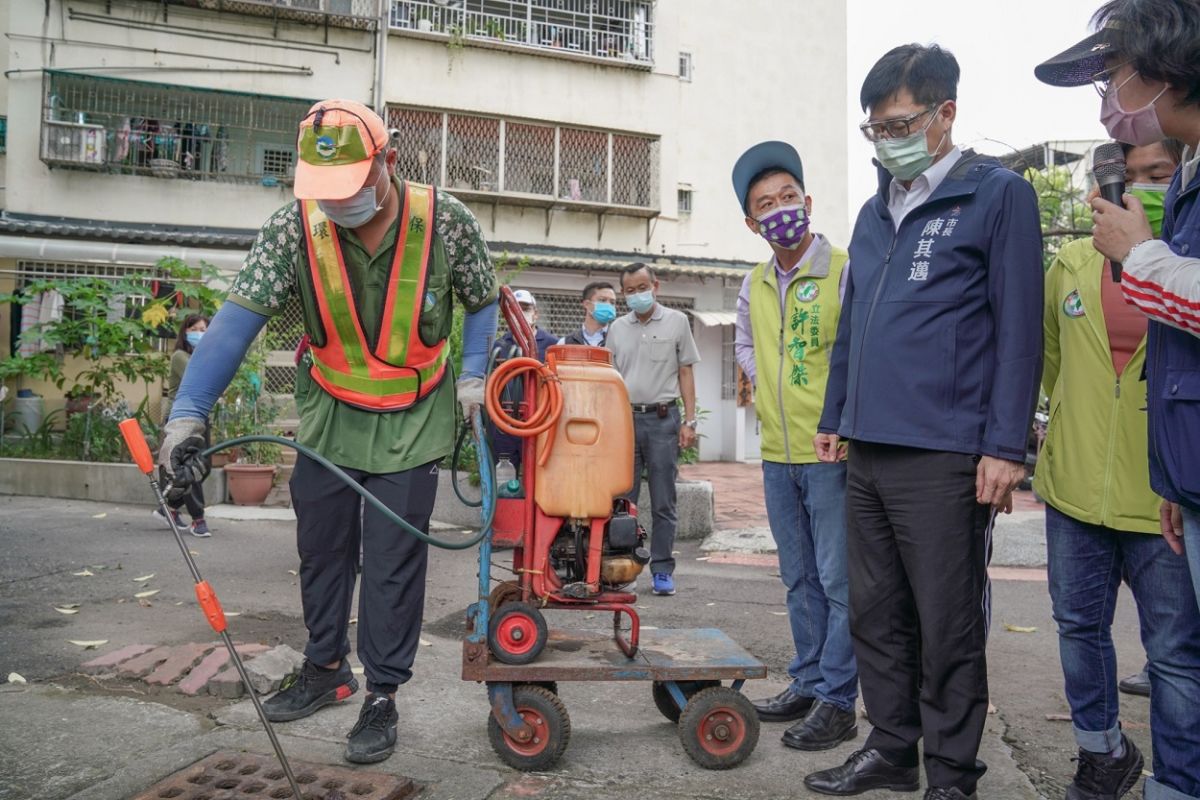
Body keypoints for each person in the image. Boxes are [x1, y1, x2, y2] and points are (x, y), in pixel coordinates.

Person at [157, 99, 498, 765]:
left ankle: (383, 695)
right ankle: (325, 669)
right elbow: (234, 323)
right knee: (321, 550)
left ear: (388, 161)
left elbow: (483, 300)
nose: (337, 202)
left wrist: (473, 376)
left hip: (414, 417)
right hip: (331, 413)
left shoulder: (446, 220)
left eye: (351, 185)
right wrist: (187, 414)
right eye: (324, 189)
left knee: (393, 564)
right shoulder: (294, 225)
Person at [805, 45, 1043, 800]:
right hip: (869, 446)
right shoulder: (877, 210)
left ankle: (951, 774)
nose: (887, 140)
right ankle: (890, 749)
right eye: (875, 129)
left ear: (946, 114)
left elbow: (1020, 330)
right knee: (875, 613)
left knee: (947, 623)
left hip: (945, 450)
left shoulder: (996, 196)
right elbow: (853, 324)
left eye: (900, 124)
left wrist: (1005, 445)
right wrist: (836, 413)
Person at [1037, 5, 1200, 798]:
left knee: (1173, 655)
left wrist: (1144, 258)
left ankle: (1178, 779)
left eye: (1113, 78)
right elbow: (1050, 364)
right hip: (1106, 490)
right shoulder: (1074, 263)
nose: (1108, 103)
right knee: (1078, 627)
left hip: (1158, 493)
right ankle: (1106, 754)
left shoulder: (1166, 245)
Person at [730, 141, 858, 751]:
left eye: (788, 197)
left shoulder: (845, 270)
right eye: (765, 205)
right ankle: (807, 681)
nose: (780, 210)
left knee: (839, 579)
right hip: (778, 452)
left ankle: (838, 698)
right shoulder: (753, 283)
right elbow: (743, 343)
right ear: (752, 223)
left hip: (831, 452)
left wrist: (842, 419)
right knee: (797, 576)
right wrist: (765, 379)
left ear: (807, 202)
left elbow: (860, 351)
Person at [606, 263, 700, 597]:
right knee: (623, 500)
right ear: (623, 294)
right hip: (625, 421)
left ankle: (662, 570)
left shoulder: (677, 322)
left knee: (664, 500)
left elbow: (686, 373)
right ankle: (624, 568)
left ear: (655, 286)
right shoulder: (616, 329)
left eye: (642, 287)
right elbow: (609, 378)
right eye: (630, 291)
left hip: (663, 420)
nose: (637, 295)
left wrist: (690, 421)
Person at [488, 288, 556, 475]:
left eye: (525, 308)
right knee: (503, 477)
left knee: (537, 477)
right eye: (514, 309)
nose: (519, 313)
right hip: (505, 424)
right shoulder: (500, 345)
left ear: (536, 313)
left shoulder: (551, 344)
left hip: (539, 423)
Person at [155, 313, 211, 538]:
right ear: (185, 332)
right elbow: (198, 377)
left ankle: (169, 508)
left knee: (204, 465)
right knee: (191, 466)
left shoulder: (202, 356)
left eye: (204, 330)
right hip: (181, 417)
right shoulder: (180, 356)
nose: (200, 334)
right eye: (195, 329)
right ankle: (198, 519)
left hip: (200, 415)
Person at [561, 281, 617, 346]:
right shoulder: (565, 343)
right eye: (602, 300)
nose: (608, 305)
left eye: (612, 302)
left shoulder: (619, 340)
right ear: (587, 304)